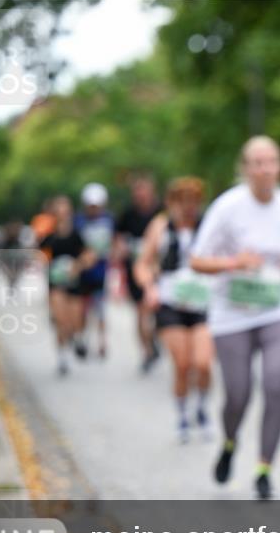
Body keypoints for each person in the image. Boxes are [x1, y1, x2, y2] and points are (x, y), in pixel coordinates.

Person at [190, 136, 280, 499]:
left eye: (272, 161)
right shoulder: (227, 207)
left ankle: (264, 468)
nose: (265, 169)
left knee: (276, 383)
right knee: (238, 394)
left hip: (277, 310)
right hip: (232, 313)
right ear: (245, 168)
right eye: (257, 163)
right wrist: (234, 262)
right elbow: (197, 260)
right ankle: (230, 442)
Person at [134, 177, 214, 443]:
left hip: (203, 301)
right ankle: (182, 415)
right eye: (182, 202)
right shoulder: (160, 227)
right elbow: (142, 264)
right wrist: (149, 288)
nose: (188, 207)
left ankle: (201, 407)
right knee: (182, 364)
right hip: (170, 302)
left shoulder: (209, 226)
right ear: (172, 203)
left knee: (202, 363)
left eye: (193, 201)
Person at [40, 196, 96, 376]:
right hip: (56, 283)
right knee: (61, 321)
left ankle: (77, 338)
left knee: (75, 321)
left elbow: (89, 255)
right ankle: (62, 356)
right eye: (59, 211)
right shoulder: (49, 237)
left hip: (74, 283)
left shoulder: (77, 235)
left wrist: (77, 266)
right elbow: (38, 255)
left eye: (66, 211)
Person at [116, 174, 164, 373]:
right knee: (141, 311)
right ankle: (146, 351)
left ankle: (154, 338)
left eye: (143, 190)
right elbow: (117, 238)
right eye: (137, 191)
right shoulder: (128, 214)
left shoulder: (162, 212)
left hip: (160, 270)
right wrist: (121, 250)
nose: (140, 195)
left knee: (157, 311)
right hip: (135, 269)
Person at [74, 182, 115, 359]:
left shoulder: (109, 220)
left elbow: (115, 242)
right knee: (83, 308)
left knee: (100, 309)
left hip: (101, 272)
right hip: (83, 272)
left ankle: (102, 342)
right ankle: (82, 338)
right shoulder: (78, 221)